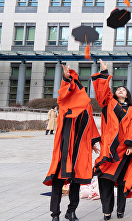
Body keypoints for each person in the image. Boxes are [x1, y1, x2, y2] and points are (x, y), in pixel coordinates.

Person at [43, 64, 100, 221]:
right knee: (58, 181)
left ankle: (71, 211)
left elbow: (90, 126)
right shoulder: (65, 103)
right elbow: (62, 94)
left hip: (80, 150)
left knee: (76, 181)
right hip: (64, 148)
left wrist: (92, 143)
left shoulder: (87, 107)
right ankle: (55, 214)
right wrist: (66, 78)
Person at [92, 59, 132, 220]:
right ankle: (107, 210)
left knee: (122, 182)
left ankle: (120, 210)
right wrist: (104, 73)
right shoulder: (108, 103)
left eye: (123, 89)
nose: (120, 90)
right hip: (108, 149)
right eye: (118, 89)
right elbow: (101, 92)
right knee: (104, 179)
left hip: (124, 149)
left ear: (127, 95)